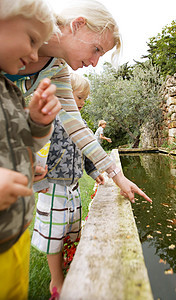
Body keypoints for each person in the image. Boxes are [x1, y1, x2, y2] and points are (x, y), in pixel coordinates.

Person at [6, 0, 152, 206]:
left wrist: (117, 176)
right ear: (78, 25)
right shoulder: (18, 21)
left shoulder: (57, 69)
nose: (94, 62)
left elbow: (76, 125)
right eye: (96, 49)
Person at [0, 1, 61, 299]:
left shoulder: (9, 88)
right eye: (32, 39)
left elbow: (19, 141)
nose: (36, 55)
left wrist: (36, 122)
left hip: (14, 233)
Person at [31, 73, 104, 294]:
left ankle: (68, 263)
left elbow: (87, 149)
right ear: (63, 93)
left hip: (72, 186)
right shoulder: (51, 120)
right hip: (52, 186)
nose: (82, 102)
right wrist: (37, 183)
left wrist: (93, 171)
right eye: (80, 97)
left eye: (84, 99)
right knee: (54, 233)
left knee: (70, 229)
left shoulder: (80, 122)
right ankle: (56, 281)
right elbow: (36, 152)